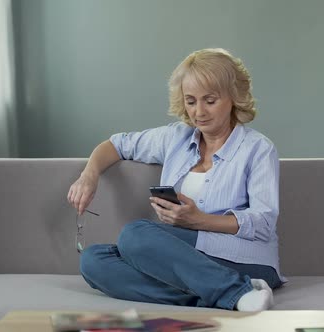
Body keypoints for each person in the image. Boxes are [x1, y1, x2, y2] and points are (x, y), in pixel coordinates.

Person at [67, 48, 285, 311]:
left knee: (134, 235)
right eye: (191, 101)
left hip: (245, 258)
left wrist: (199, 220)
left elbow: (263, 222)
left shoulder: (258, 149)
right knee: (93, 260)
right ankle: (233, 295)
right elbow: (116, 145)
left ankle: (232, 288)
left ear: (233, 98)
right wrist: (88, 177)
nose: (199, 112)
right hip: (183, 256)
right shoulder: (176, 138)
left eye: (210, 100)